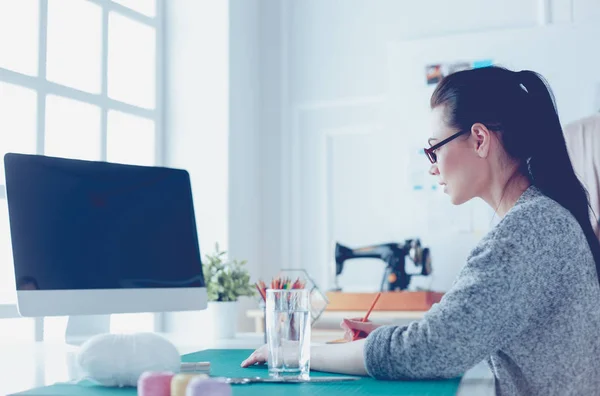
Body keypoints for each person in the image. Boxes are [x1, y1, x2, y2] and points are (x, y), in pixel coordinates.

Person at [240, 66, 600, 396]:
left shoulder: (529, 229)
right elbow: (451, 335)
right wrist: (389, 338)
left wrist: (292, 352)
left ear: (479, 139)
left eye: (434, 149)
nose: (432, 167)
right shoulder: (538, 219)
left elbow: (431, 351)